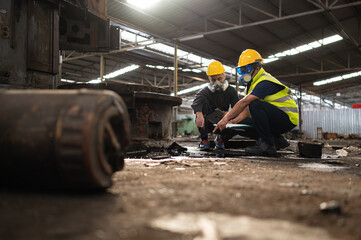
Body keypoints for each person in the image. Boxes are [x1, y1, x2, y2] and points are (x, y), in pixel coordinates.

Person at [214, 49, 299, 156]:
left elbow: (244, 103)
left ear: (257, 68)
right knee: (240, 126)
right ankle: (277, 141)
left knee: (255, 104)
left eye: (246, 69)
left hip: (287, 118)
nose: (244, 73)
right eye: (241, 70)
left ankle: (267, 146)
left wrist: (225, 119)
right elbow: (247, 111)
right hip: (276, 118)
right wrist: (234, 121)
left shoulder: (265, 81)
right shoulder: (252, 85)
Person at [191, 61, 239, 151]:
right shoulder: (205, 91)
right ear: (210, 79)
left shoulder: (231, 91)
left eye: (219, 79)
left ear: (224, 76)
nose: (217, 82)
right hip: (208, 123)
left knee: (238, 120)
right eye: (213, 80)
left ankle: (221, 139)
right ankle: (204, 141)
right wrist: (199, 114)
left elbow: (238, 107)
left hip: (224, 122)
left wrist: (229, 115)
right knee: (200, 110)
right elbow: (196, 102)